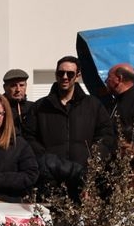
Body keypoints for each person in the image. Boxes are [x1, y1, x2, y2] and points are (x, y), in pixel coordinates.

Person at [24, 55, 112, 195]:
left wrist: (93, 162)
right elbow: (29, 138)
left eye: (70, 74)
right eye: (60, 73)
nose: (65, 77)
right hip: (51, 180)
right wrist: (47, 161)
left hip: (84, 180)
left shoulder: (93, 105)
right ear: (56, 75)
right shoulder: (40, 107)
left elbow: (106, 136)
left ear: (77, 76)